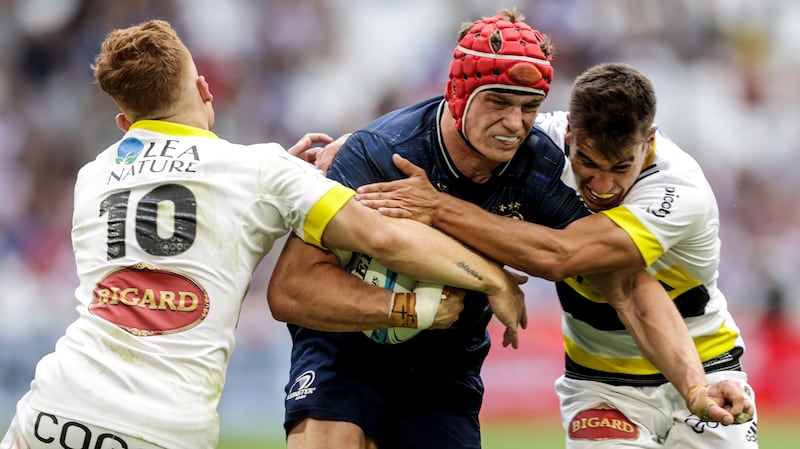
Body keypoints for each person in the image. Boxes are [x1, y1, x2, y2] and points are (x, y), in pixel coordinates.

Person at [0, 19, 528, 449]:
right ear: (205, 89)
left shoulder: (93, 175)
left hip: (51, 406)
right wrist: (494, 280)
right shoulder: (259, 172)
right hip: (162, 428)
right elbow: (386, 238)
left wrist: (276, 183)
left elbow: (180, 201)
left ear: (124, 125)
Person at [265, 9, 735, 449]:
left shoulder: (539, 164)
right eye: (498, 102)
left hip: (445, 363)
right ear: (458, 92)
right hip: (345, 349)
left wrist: (695, 387)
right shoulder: (380, 153)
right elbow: (291, 288)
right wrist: (413, 308)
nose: (514, 124)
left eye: (530, 106)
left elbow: (626, 285)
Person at [355, 62, 758, 447]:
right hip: (601, 383)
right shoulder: (542, 141)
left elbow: (562, 256)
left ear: (648, 142)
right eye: (587, 163)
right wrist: (357, 149)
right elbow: (446, 135)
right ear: (569, 135)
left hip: (707, 366)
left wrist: (439, 207)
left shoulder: (679, 191)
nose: (602, 186)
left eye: (621, 168)